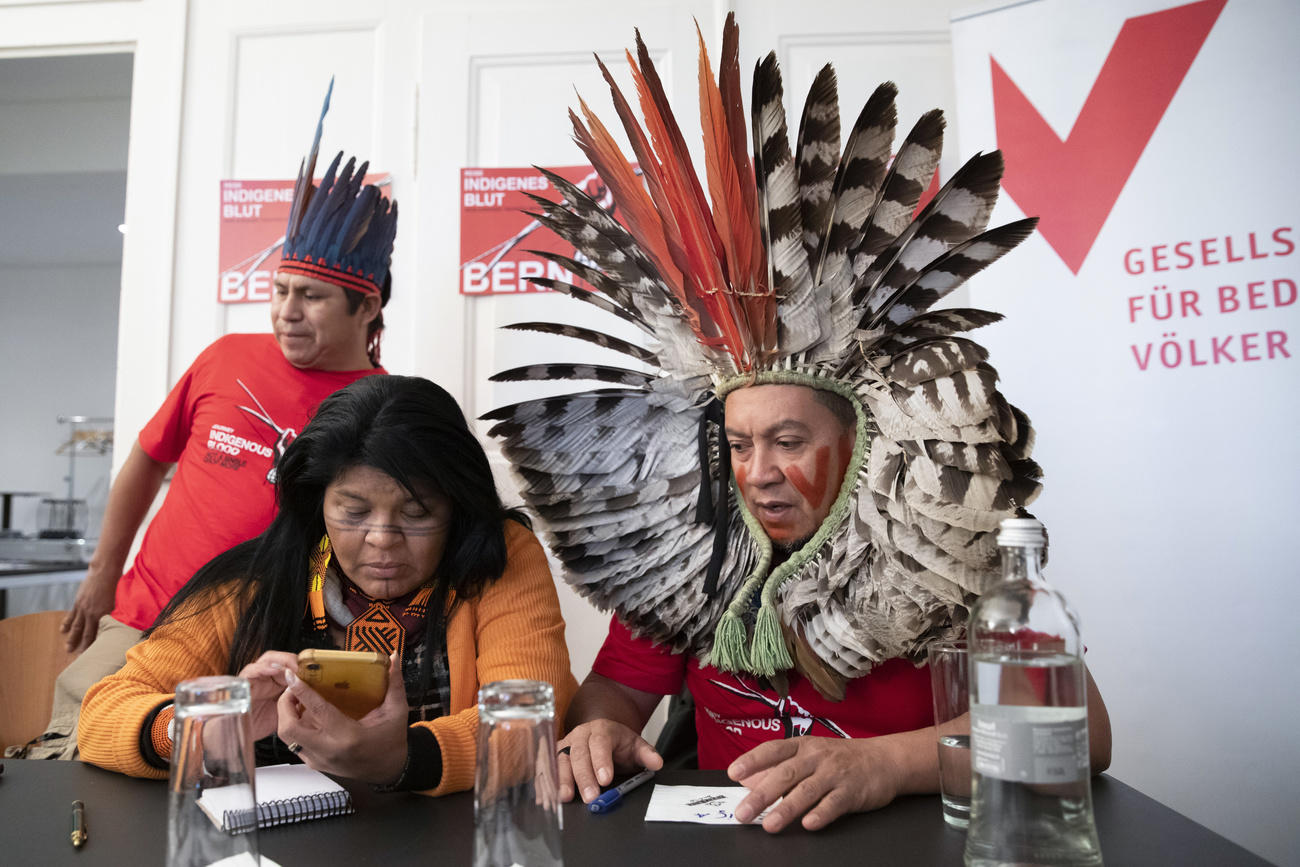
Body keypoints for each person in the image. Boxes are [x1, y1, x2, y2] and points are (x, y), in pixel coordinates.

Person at [481, 16, 1112, 834]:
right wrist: (598, 729)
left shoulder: (955, 552)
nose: (758, 472)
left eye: (788, 441)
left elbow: (1080, 735)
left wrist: (887, 763)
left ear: (857, 446)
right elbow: (620, 690)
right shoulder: (700, 553)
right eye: (739, 445)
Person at [13, 83, 397, 760]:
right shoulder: (225, 358)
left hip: (262, 645)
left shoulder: (382, 407)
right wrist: (105, 570)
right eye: (280, 290)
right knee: (73, 760)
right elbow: (145, 461)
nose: (286, 311)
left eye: (310, 297)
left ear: (365, 307)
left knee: (225, 791)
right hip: (143, 619)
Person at [79, 375, 576, 795]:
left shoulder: (498, 557)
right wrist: (205, 732)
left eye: (417, 512)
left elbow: (533, 719)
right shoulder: (255, 582)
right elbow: (103, 715)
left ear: (456, 508)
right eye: (354, 511)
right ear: (317, 503)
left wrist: (402, 761)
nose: (383, 539)